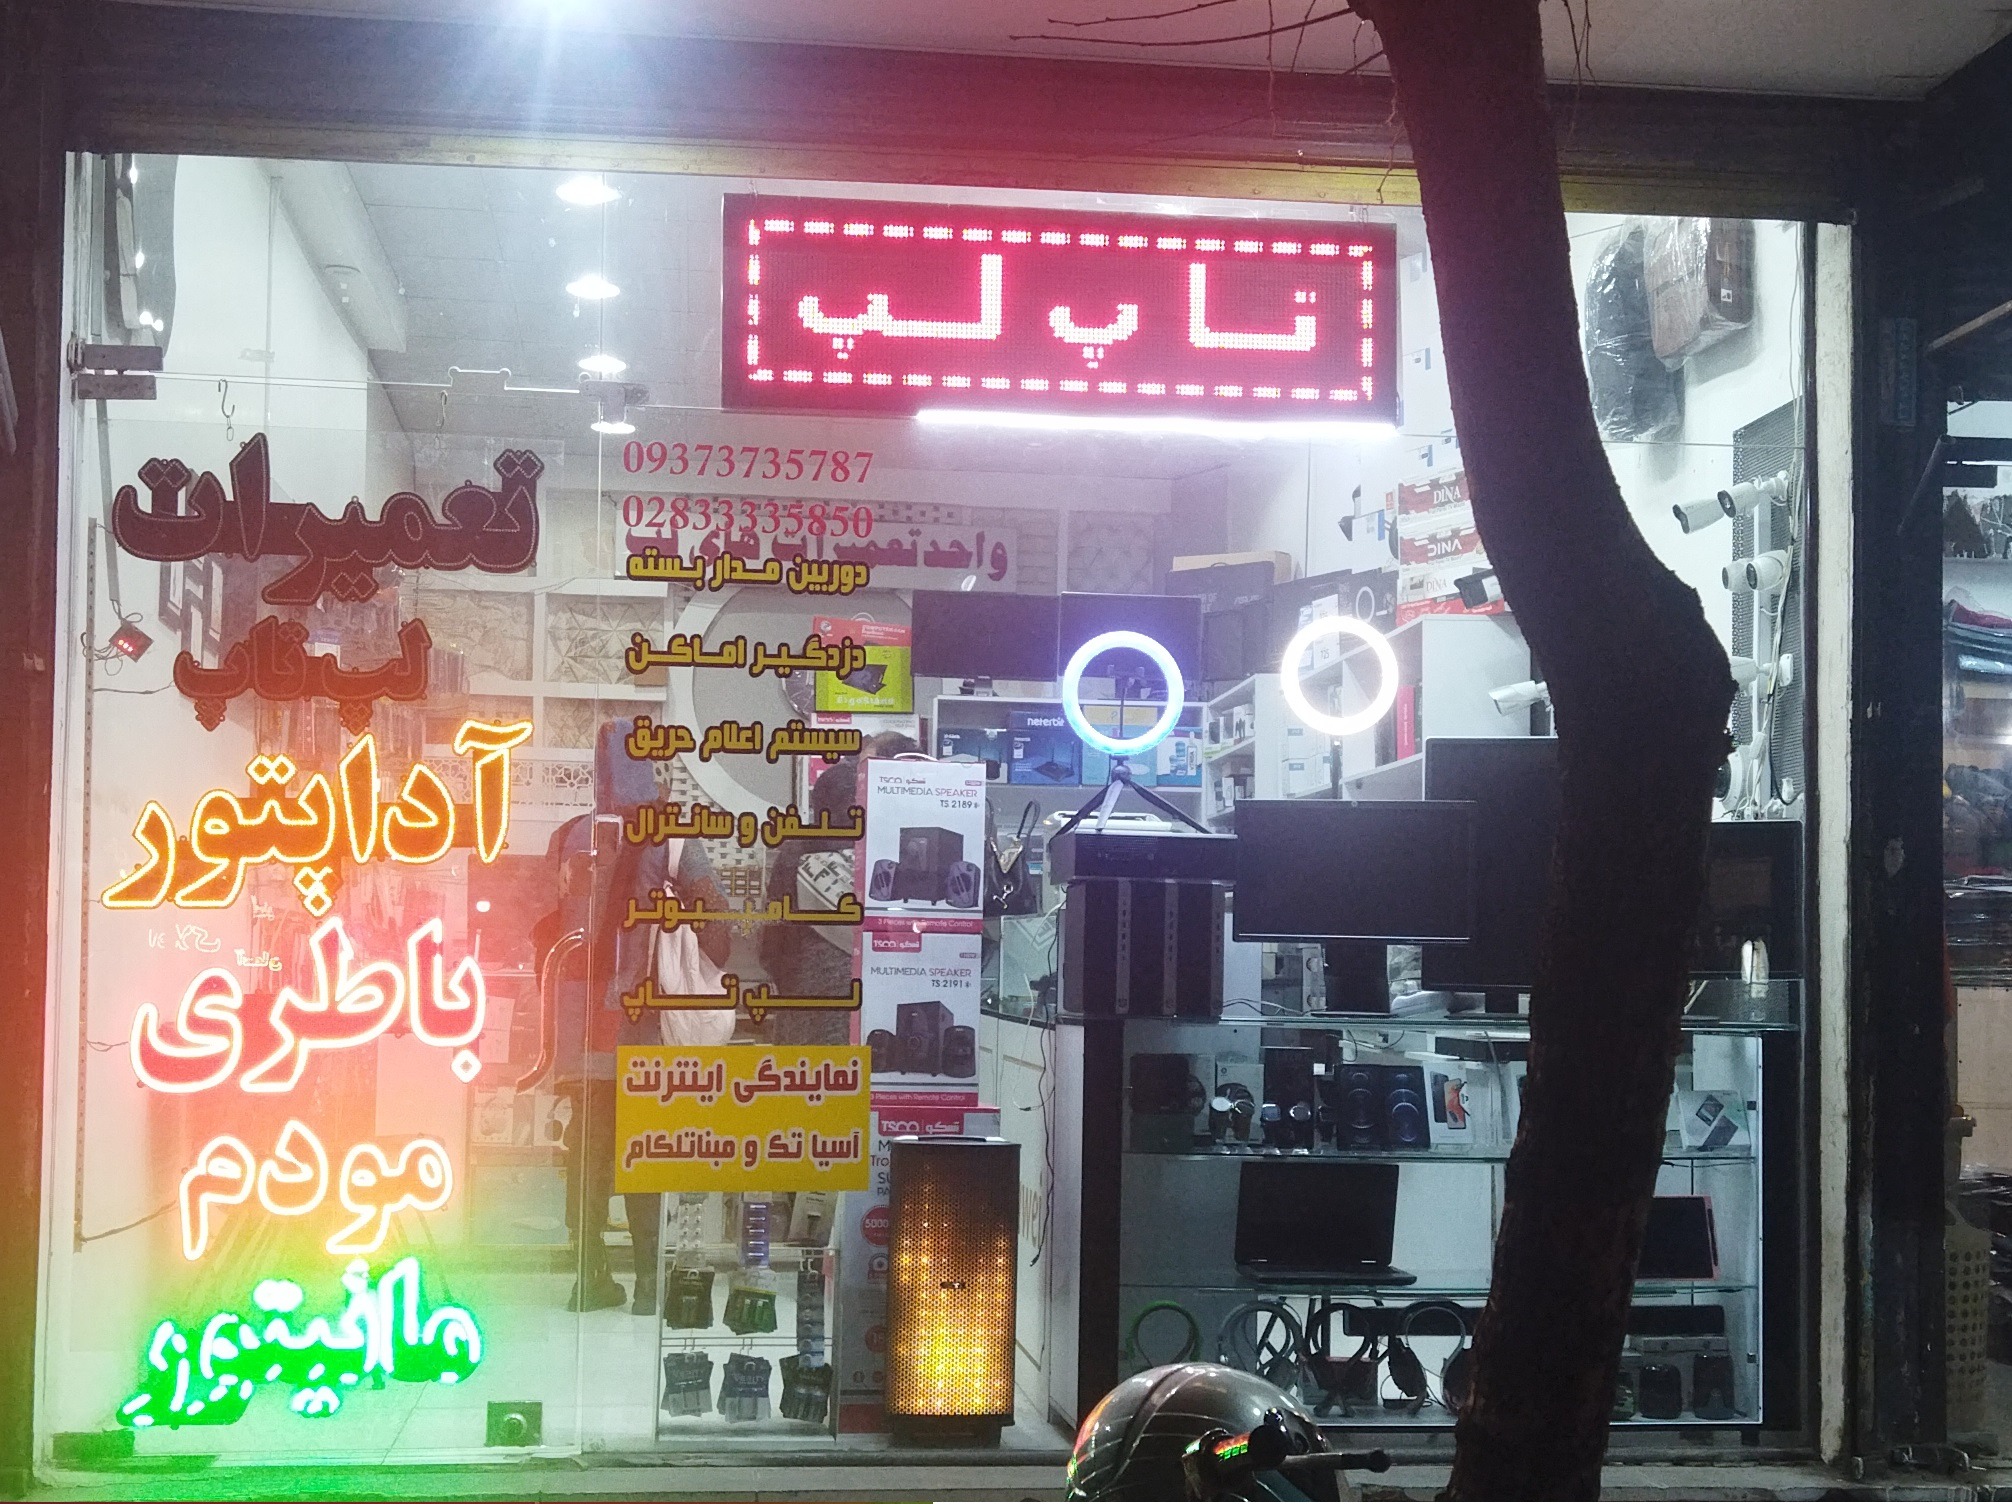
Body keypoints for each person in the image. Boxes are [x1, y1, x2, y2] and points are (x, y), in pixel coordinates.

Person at [544, 717, 734, 1314]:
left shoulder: (570, 836)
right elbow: (719, 929)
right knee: (641, 1146)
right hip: (639, 1021)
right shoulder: (672, 837)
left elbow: (543, 924)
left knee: (587, 1146)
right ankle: (650, 1284)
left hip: (577, 1022)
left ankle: (587, 1277)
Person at [759, 733, 919, 1046]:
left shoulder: (798, 851)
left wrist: (792, 985)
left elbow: (773, 944)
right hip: (885, 1005)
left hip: (808, 1006)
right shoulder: (906, 851)